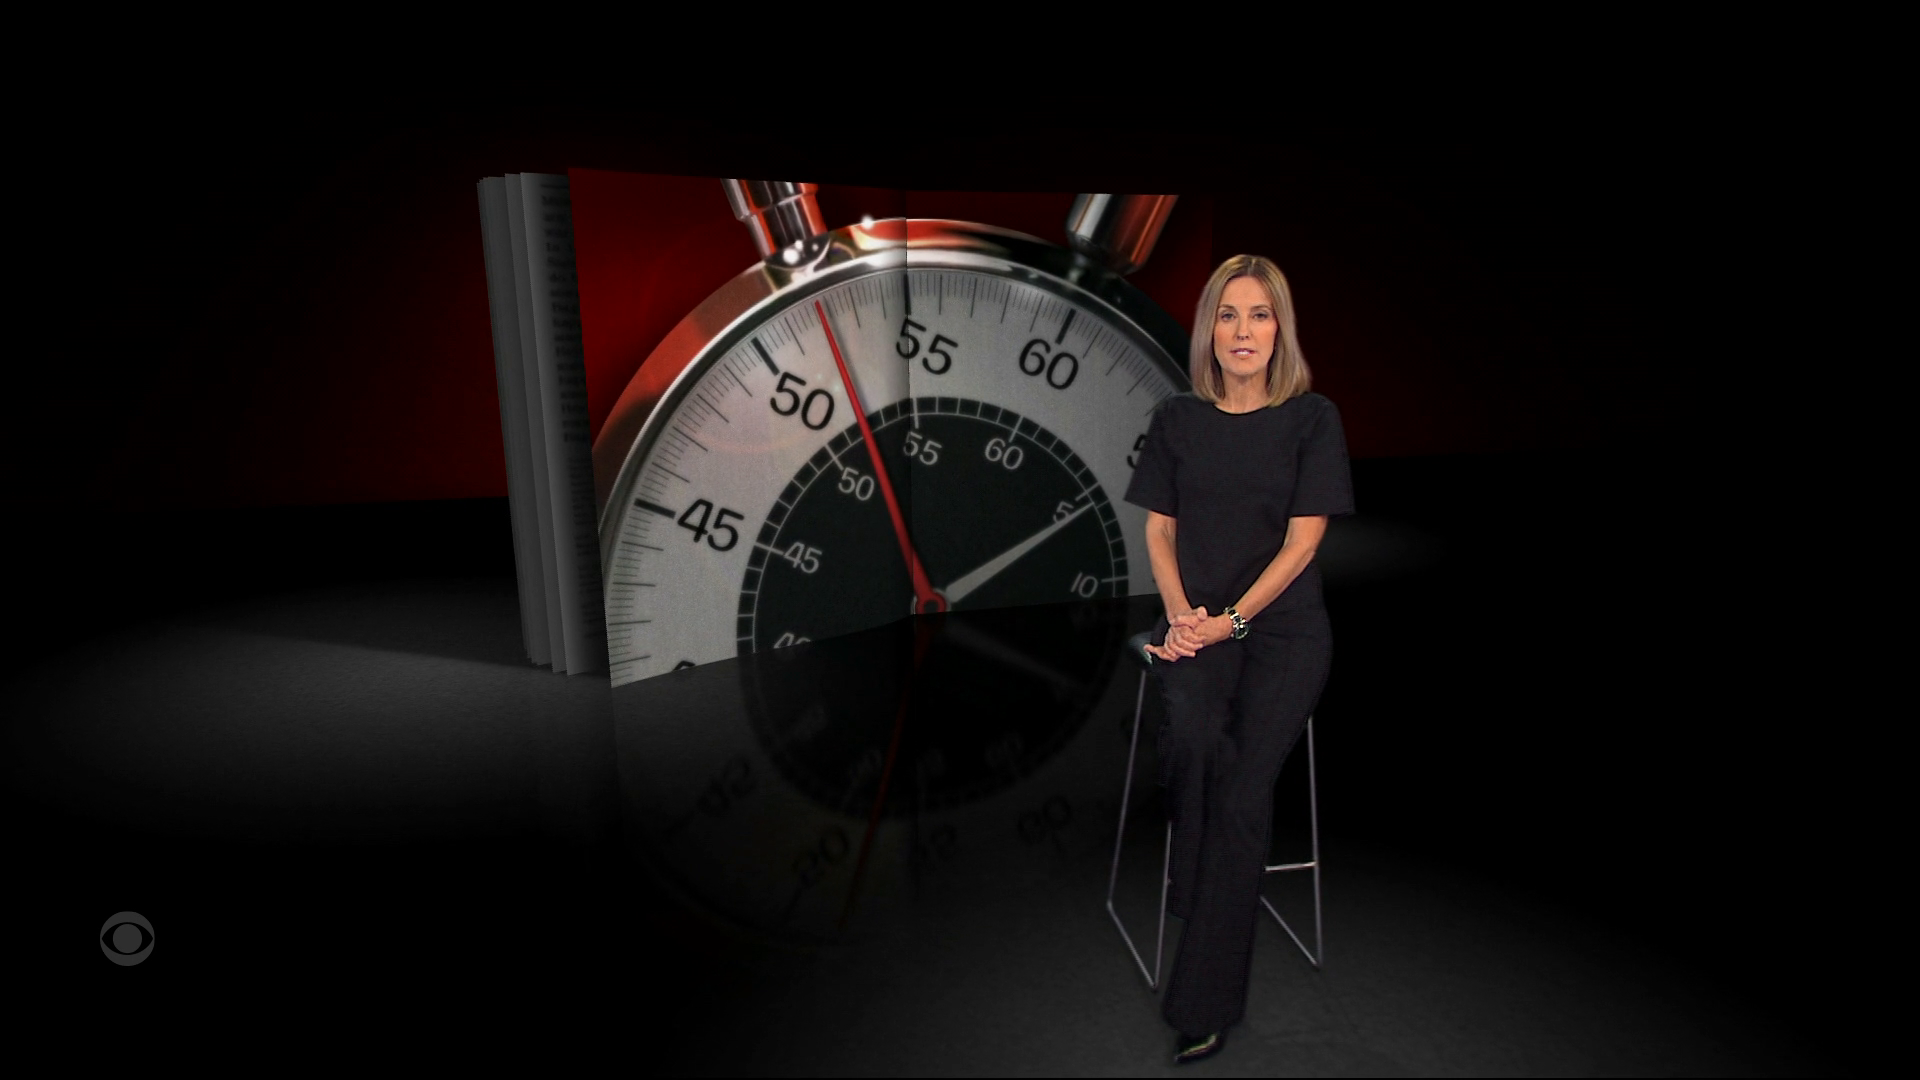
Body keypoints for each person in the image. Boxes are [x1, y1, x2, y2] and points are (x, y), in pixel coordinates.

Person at [1123, 254, 1354, 1065]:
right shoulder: (1177, 420)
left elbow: (1302, 545)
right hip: (1195, 626)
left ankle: (1204, 1003)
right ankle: (1196, 883)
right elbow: (1158, 529)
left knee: (1243, 793)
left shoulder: (1312, 419)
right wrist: (1184, 615)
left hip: (1281, 637)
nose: (1243, 330)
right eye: (1228, 314)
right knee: (1191, 738)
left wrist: (1228, 622)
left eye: (1259, 314)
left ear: (1279, 329)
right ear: (1209, 331)